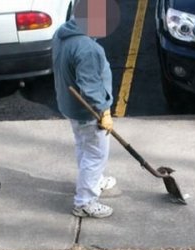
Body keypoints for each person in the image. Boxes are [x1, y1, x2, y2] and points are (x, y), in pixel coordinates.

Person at [52, 4, 117, 218]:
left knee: (83, 146)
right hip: (88, 113)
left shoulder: (62, 34)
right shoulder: (87, 48)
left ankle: (92, 181)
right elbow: (90, 86)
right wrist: (104, 111)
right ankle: (85, 202)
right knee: (96, 154)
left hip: (70, 106)